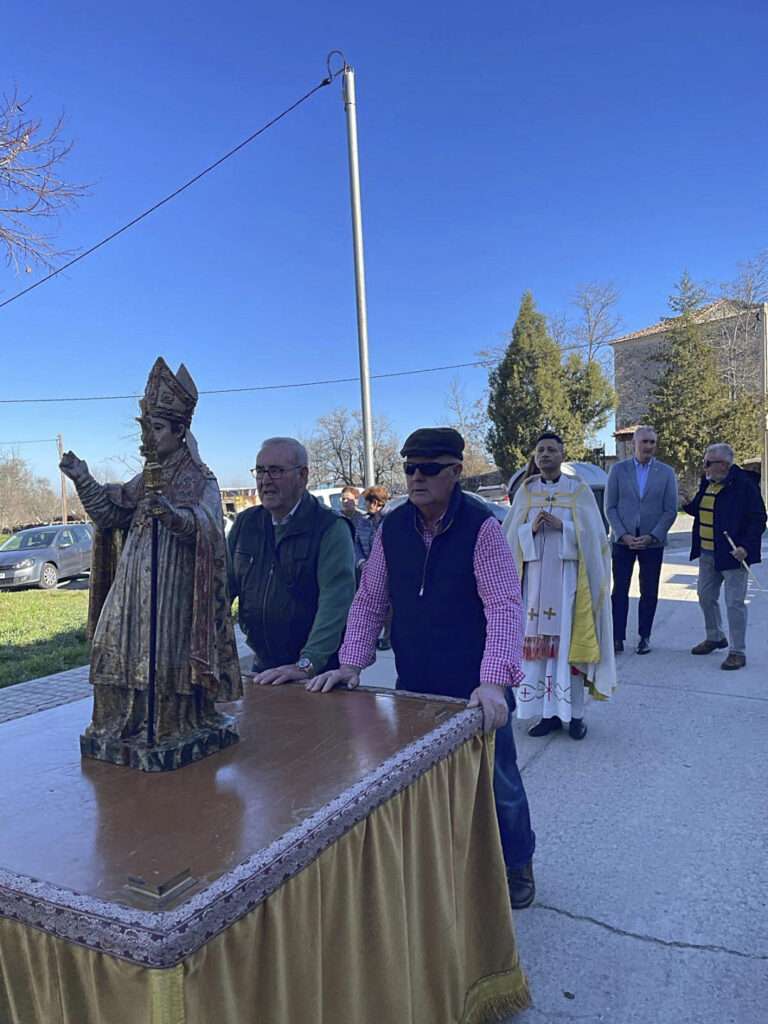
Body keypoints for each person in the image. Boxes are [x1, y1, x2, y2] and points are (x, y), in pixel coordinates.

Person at [306, 427, 537, 910]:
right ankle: (444, 867)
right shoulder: (391, 528)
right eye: (410, 468)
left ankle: (517, 863)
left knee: (500, 784)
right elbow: (370, 600)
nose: (416, 477)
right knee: (425, 787)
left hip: (476, 690)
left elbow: (504, 608)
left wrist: (494, 682)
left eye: (429, 469)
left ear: (456, 472)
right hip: (414, 685)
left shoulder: (482, 528)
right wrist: (350, 664)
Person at [59, 357, 242, 747]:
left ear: (180, 431)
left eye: (156, 428)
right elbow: (112, 513)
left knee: (164, 655)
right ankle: (123, 724)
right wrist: (83, 479)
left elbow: (208, 525)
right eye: (146, 428)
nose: (148, 438)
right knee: (111, 644)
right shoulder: (146, 477)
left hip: (174, 587)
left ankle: (170, 725)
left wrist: (172, 514)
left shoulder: (200, 477)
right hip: (133, 586)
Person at [504, 432, 616, 740]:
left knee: (567, 650)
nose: (545, 455)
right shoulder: (526, 492)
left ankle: (575, 715)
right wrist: (531, 529)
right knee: (537, 654)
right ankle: (546, 714)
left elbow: (594, 537)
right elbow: (511, 537)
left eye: (552, 449)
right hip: (534, 588)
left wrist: (564, 528)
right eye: (540, 450)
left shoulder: (578, 491)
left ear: (562, 455)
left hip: (569, 589)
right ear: (535, 456)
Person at [228, 437, 356, 684]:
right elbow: (221, 588)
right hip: (264, 666)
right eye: (260, 471)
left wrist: (306, 664)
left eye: (276, 471)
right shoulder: (246, 524)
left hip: (318, 673)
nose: (265, 480)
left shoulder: (330, 528)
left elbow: (336, 603)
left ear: (303, 475)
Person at [683, 443, 766, 670]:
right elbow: (701, 508)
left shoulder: (745, 485)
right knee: (704, 596)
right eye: (705, 462)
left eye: (709, 463)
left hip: (733, 555)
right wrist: (685, 503)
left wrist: (746, 548)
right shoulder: (708, 482)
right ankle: (715, 636)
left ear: (724, 464)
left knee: (734, 604)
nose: (705, 467)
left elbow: (758, 518)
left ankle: (738, 652)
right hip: (708, 553)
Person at [604, 426, 678, 655]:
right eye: (645, 442)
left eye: (652, 442)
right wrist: (623, 535)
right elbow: (610, 507)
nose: (649, 446)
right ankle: (617, 637)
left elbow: (670, 510)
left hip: (651, 543)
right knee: (620, 590)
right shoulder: (618, 470)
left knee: (649, 591)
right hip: (622, 542)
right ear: (634, 443)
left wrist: (653, 535)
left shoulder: (666, 473)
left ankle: (644, 636)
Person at [354, 485, 392, 649]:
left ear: (376, 502)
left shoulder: (390, 520)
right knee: (370, 603)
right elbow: (356, 544)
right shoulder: (363, 521)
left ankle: (388, 636)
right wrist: (361, 562)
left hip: (389, 570)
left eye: (367, 501)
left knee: (389, 605)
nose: (364, 505)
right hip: (367, 569)